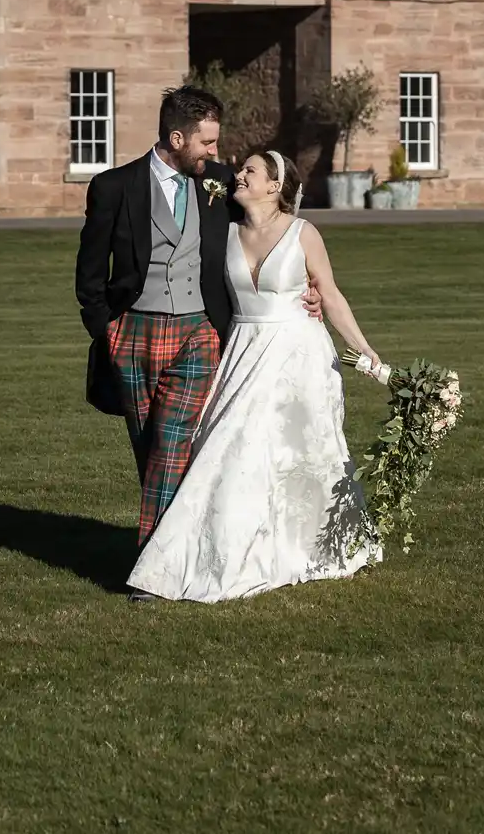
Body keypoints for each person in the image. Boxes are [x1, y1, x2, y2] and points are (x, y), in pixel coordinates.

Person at [73, 87, 320, 600]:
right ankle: (170, 547)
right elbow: (90, 271)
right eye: (206, 142)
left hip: (199, 333)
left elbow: (271, 219)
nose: (216, 153)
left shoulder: (219, 183)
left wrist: (304, 286)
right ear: (177, 137)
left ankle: (152, 574)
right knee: (149, 447)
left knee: (173, 446)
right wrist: (106, 329)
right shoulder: (113, 187)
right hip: (133, 332)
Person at [125, 148, 382, 602]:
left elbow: (331, 294)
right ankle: (204, 555)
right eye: (240, 169)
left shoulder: (304, 233)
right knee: (231, 449)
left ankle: (311, 545)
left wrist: (366, 351)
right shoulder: (222, 233)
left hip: (299, 355)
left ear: (275, 186)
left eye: (250, 171)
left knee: (300, 453)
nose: (239, 175)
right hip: (243, 351)